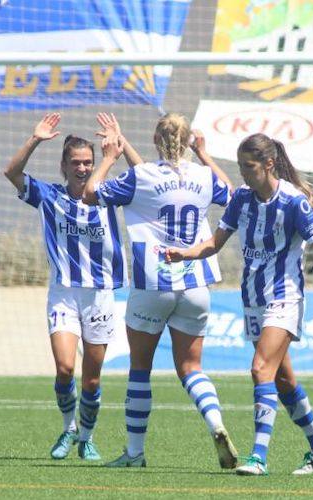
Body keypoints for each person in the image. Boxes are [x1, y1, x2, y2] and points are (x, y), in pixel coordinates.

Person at [165, 133, 313, 476]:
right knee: (283, 379)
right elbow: (215, 242)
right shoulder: (242, 199)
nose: (243, 173)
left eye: (249, 166)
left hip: (285, 297)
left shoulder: (294, 202)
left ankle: (258, 457)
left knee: (260, 369)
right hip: (253, 300)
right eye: (241, 166)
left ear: (268, 164)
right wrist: (186, 253)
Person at [83, 113, 239, 469]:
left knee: (140, 368)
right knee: (191, 367)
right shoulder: (201, 176)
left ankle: (135, 453)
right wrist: (206, 156)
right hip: (196, 283)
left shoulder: (141, 177)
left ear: (157, 140)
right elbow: (231, 195)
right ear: (188, 142)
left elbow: (92, 194)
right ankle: (215, 423)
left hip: (154, 280)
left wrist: (109, 155)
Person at [3, 112, 137, 461]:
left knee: (91, 380)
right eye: (76, 162)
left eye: (88, 162)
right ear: (64, 166)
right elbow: (12, 173)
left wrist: (120, 143)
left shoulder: (109, 194)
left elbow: (146, 176)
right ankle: (69, 428)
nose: (82, 168)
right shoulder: (49, 196)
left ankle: (87, 438)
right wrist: (34, 139)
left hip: (100, 297)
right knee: (65, 369)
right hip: (63, 292)